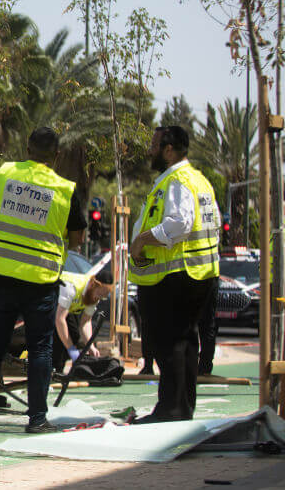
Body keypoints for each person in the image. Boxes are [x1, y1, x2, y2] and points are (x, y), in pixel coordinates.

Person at [0, 127, 86, 434]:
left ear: (27, 148)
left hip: (2, 274)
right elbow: (76, 240)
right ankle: (37, 419)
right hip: (40, 279)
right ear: (57, 155)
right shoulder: (64, 189)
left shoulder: (5, 173)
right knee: (40, 349)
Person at [129, 125, 220, 424]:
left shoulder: (178, 180)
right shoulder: (198, 179)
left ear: (169, 149)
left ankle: (170, 410)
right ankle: (181, 409)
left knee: (170, 344)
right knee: (184, 344)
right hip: (198, 273)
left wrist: (142, 240)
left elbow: (179, 223)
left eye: (155, 145)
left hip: (177, 276)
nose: (150, 150)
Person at [53, 266, 114, 370]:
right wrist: (71, 349)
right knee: (58, 338)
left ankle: (60, 369)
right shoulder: (70, 288)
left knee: (74, 336)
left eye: (102, 297)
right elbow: (59, 319)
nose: (98, 299)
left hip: (67, 309)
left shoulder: (95, 294)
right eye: (99, 294)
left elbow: (85, 323)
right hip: (53, 300)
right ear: (93, 285)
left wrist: (90, 346)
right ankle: (52, 370)